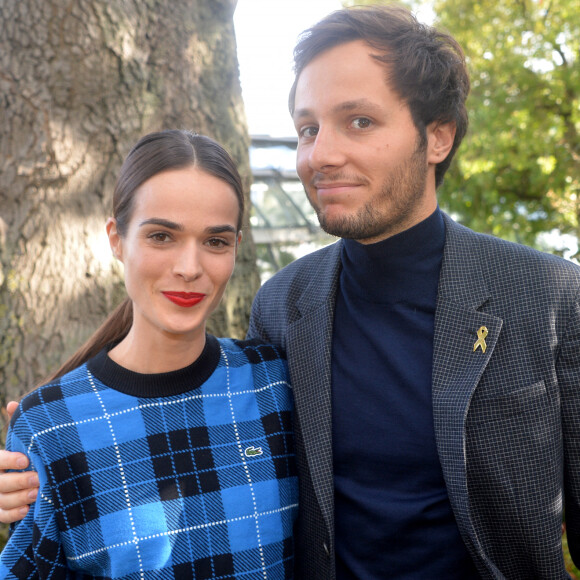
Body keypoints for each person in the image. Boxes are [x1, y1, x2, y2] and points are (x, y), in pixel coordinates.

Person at [1, 4, 579, 579]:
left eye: (359, 121)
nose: (320, 155)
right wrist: (42, 456)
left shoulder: (548, 297)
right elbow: (203, 430)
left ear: (438, 138)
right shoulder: (284, 306)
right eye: (309, 128)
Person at [0, 129, 297, 579]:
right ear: (117, 239)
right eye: (162, 236)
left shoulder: (275, 381)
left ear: (236, 247)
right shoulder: (50, 426)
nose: (189, 267)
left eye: (215, 241)